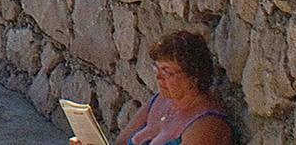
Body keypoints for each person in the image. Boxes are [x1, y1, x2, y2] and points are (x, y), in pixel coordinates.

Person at [87, 31, 231, 145]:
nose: (158, 77)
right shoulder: (160, 100)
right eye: (157, 69)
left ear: (193, 77)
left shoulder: (206, 125)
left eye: (166, 72)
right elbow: (121, 143)